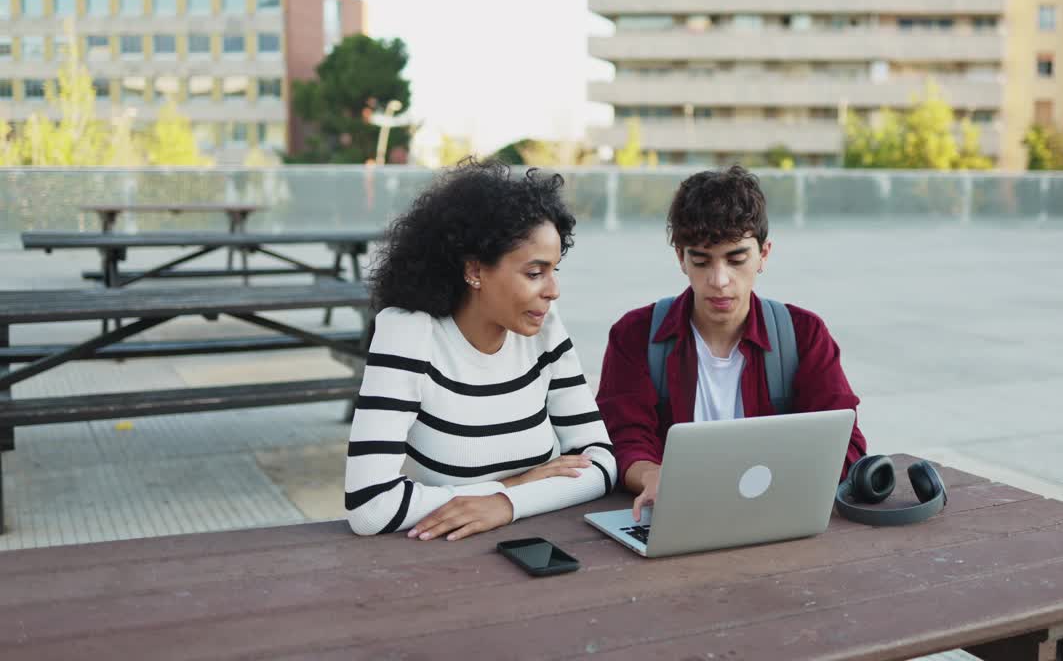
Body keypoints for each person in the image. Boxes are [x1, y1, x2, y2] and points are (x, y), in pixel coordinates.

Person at [345, 160, 616, 539]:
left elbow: (602, 464)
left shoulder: (544, 328)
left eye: (555, 270)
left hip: (539, 545)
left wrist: (507, 506)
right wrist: (513, 488)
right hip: (444, 564)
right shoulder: (409, 333)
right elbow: (370, 507)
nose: (553, 290)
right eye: (535, 273)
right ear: (474, 271)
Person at [596, 165, 866, 521]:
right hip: (675, 516)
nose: (719, 280)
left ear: (763, 255)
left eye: (736, 259)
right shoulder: (634, 334)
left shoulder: (804, 334)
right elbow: (623, 437)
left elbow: (845, 443)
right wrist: (654, 477)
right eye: (701, 260)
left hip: (774, 517)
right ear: (681, 258)